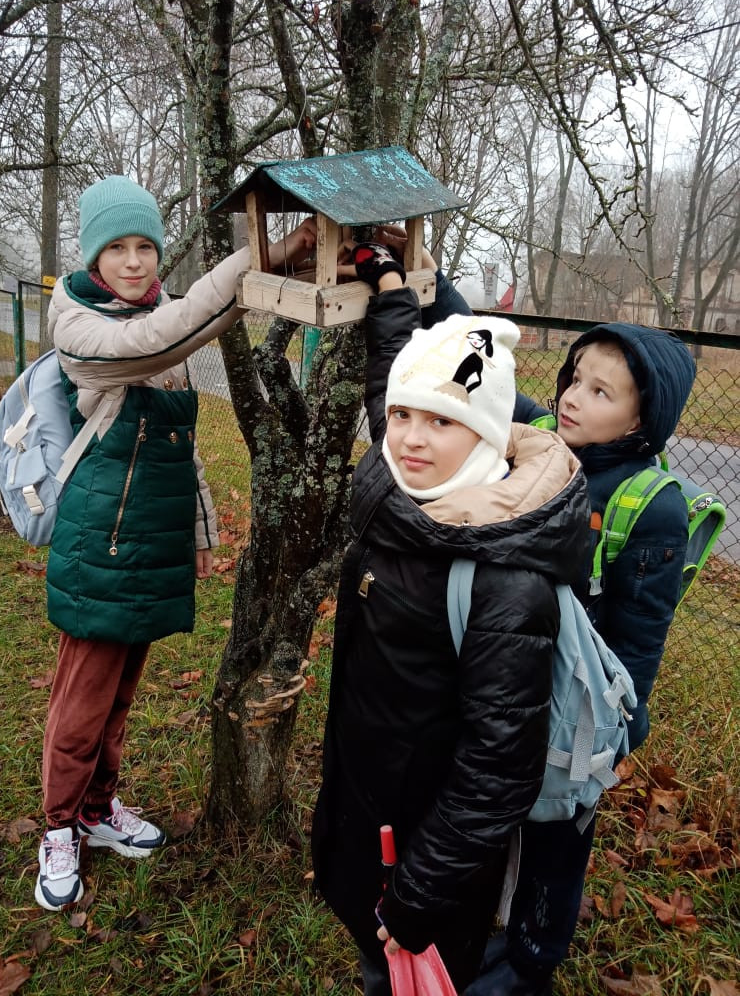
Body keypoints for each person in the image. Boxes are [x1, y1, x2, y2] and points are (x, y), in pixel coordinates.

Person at [310, 241, 592, 995]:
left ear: (488, 433)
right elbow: (394, 376)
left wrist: (419, 896)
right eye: (401, 417)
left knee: (404, 972)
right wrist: (391, 284)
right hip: (372, 806)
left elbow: (499, 767)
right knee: (375, 961)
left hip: (432, 859)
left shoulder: (504, 578)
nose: (407, 436)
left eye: (436, 421)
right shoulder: (408, 481)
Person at [35, 175, 316, 911]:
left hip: (151, 539)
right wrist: (267, 255)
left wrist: (199, 531)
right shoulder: (83, 328)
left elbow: (179, 447)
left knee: (120, 696)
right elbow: (171, 334)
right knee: (81, 702)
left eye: (146, 247)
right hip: (102, 544)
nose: (134, 262)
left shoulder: (157, 310)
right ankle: (59, 828)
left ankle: (98, 813)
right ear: (93, 258)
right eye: (117, 248)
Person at [466, 323, 697, 995]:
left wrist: (623, 737)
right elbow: (493, 382)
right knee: (495, 818)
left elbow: (640, 639)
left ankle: (532, 959)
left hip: (578, 720)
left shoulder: (650, 507)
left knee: (556, 847)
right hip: (505, 688)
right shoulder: (542, 445)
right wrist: (423, 289)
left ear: (641, 418)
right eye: (574, 378)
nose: (572, 398)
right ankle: (493, 932)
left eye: (602, 391)